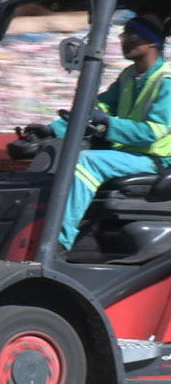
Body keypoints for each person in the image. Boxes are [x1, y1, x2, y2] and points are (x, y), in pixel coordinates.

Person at [28, 13, 171, 251]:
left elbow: (152, 133)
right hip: (129, 153)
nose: (124, 41)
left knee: (85, 162)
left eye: (132, 36)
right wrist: (51, 130)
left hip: (155, 159)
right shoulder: (129, 76)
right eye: (124, 35)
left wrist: (108, 125)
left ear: (151, 43)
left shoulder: (166, 82)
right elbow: (96, 109)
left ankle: (56, 243)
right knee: (65, 156)